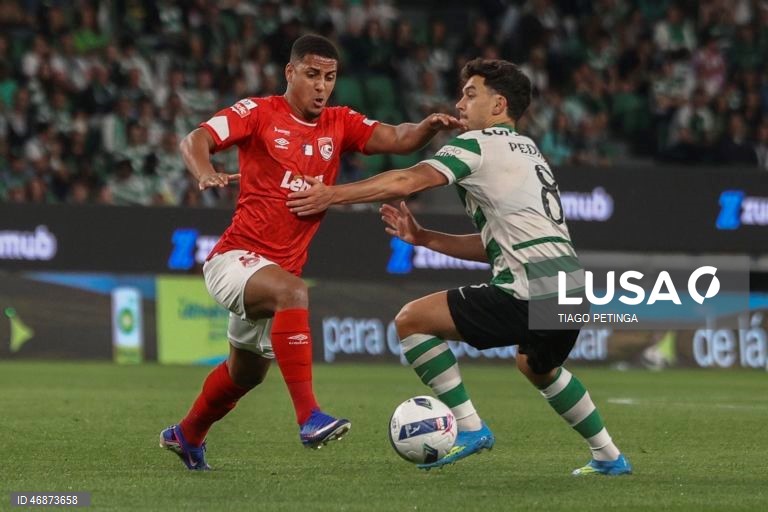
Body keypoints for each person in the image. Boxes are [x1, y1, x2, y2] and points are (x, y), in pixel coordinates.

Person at [286, 58, 632, 476]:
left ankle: (470, 427)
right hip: (569, 287)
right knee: (537, 367)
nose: (460, 104)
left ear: (499, 105)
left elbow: (406, 181)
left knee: (412, 321)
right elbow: (498, 246)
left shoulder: (476, 145)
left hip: (530, 287)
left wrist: (331, 194)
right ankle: (609, 456)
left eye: (471, 95)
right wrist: (425, 238)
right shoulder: (529, 151)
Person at [160, 34, 462, 470]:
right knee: (294, 292)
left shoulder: (339, 122)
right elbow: (196, 138)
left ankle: (187, 435)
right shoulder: (258, 113)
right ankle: (309, 417)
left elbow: (397, 137)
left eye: (330, 77)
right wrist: (204, 171)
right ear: (290, 72)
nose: (322, 86)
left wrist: (427, 128)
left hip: (274, 273)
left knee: (245, 374)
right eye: (312, 75)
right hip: (235, 259)